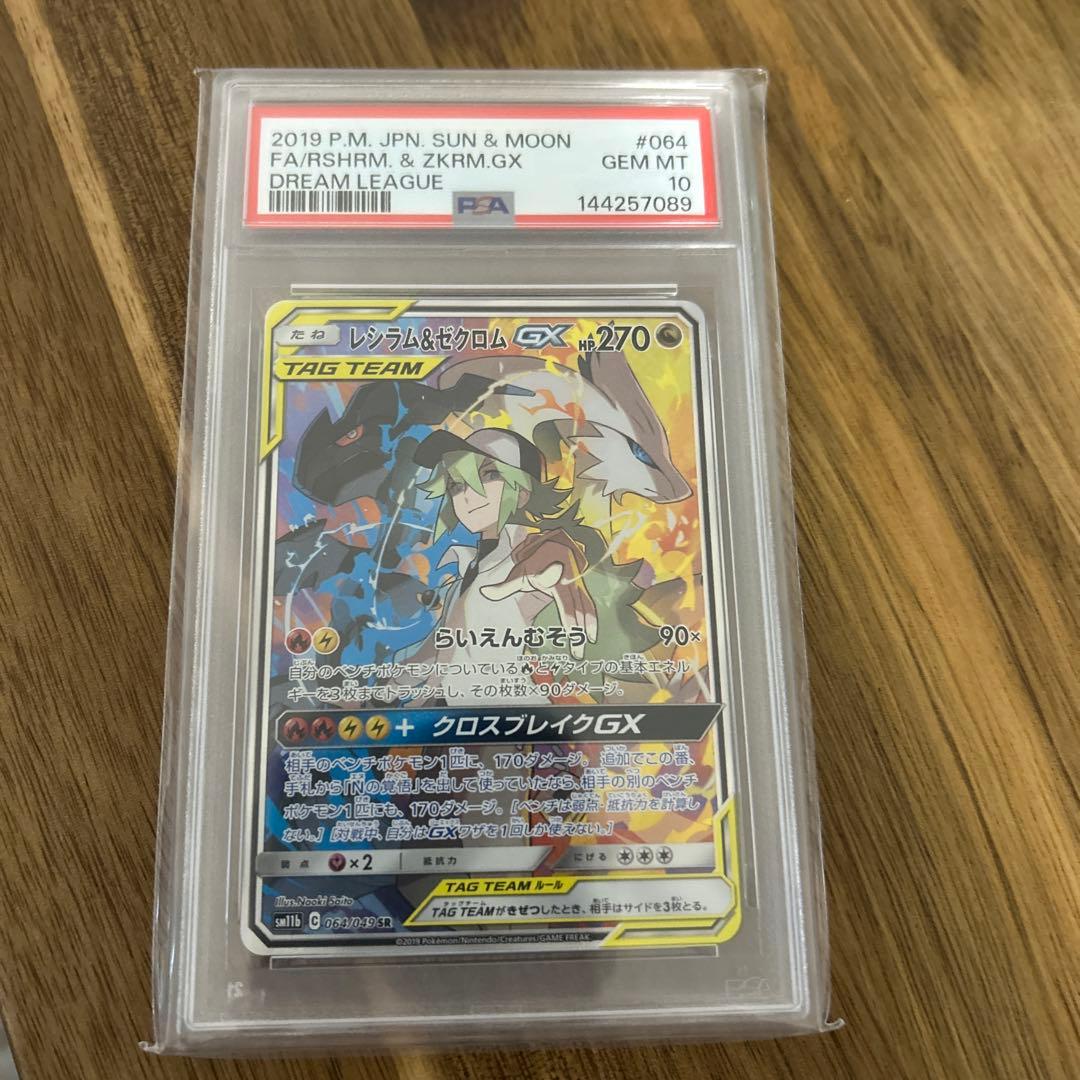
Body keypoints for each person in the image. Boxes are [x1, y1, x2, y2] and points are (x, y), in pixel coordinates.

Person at [404, 427, 597, 700]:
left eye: (490, 475)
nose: (468, 494)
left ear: (524, 491)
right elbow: (438, 649)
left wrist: (557, 557)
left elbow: (545, 561)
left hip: (521, 716)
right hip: (453, 714)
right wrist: (383, 689)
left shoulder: (528, 560)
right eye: (456, 485)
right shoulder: (465, 574)